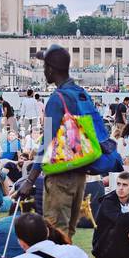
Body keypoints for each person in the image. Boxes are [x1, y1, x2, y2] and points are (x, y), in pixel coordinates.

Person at [16, 47, 103, 239]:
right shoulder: (81, 93)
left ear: (50, 69)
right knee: (68, 233)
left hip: (60, 175)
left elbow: (46, 141)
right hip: (80, 172)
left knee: (55, 232)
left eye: (45, 65)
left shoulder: (57, 99)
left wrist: (30, 180)